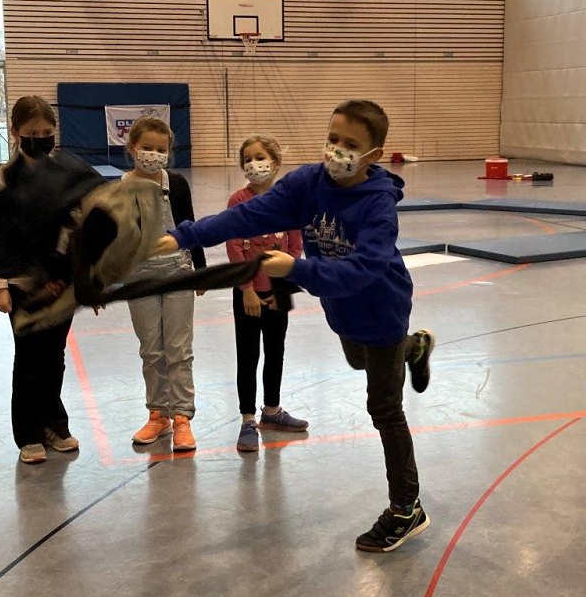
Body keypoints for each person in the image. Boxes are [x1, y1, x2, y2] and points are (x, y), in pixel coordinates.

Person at [157, 99, 435, 552]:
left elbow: (362, 271)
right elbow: (247, 215)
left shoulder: (378, 205)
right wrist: (183, 235)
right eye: (333, 138)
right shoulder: (309, 183)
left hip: (381, 310)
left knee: (385, 409)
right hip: (342, 311)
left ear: (374, 155)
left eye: (350, 144)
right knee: (357, 358)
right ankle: (415, 348)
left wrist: (295, 269)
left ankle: (407, 509)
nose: (337, 150)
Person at [0, 95, 80, 464]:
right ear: (15, 132)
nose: (40, 139)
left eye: (47, 132)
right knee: (29, 358)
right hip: (21, 287)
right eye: (32, 132)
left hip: (60, 285)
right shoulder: (1, 183)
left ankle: (53, 424)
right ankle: (28, 432)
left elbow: (75, 233)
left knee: (54, 356)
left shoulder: (64, 177)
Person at [123, 116, 206, 452]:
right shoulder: (120, 189)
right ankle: (158, 414)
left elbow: (190, 226)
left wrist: (200, 269)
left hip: (178, 272)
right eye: (147, 147)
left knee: (178, 349)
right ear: (132, 148)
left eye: (161, 149)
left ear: (169, 152)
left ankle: (182, 417)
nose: (153, 154)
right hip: (138, 278)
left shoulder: (177, 185)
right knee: (151, 350)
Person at [227, 135, 307, 453]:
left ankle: (272, 411)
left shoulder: (289, 201)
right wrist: (247, 289)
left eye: (259, 157)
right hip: (248, 292)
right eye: (247, 159)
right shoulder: (238, 201)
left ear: (275, 162)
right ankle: (248, 419)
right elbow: (235, 246)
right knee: (248, 355)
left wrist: (280, 286)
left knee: (276, 351)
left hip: (279, 290)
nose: (253, 164)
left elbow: (295, 247)